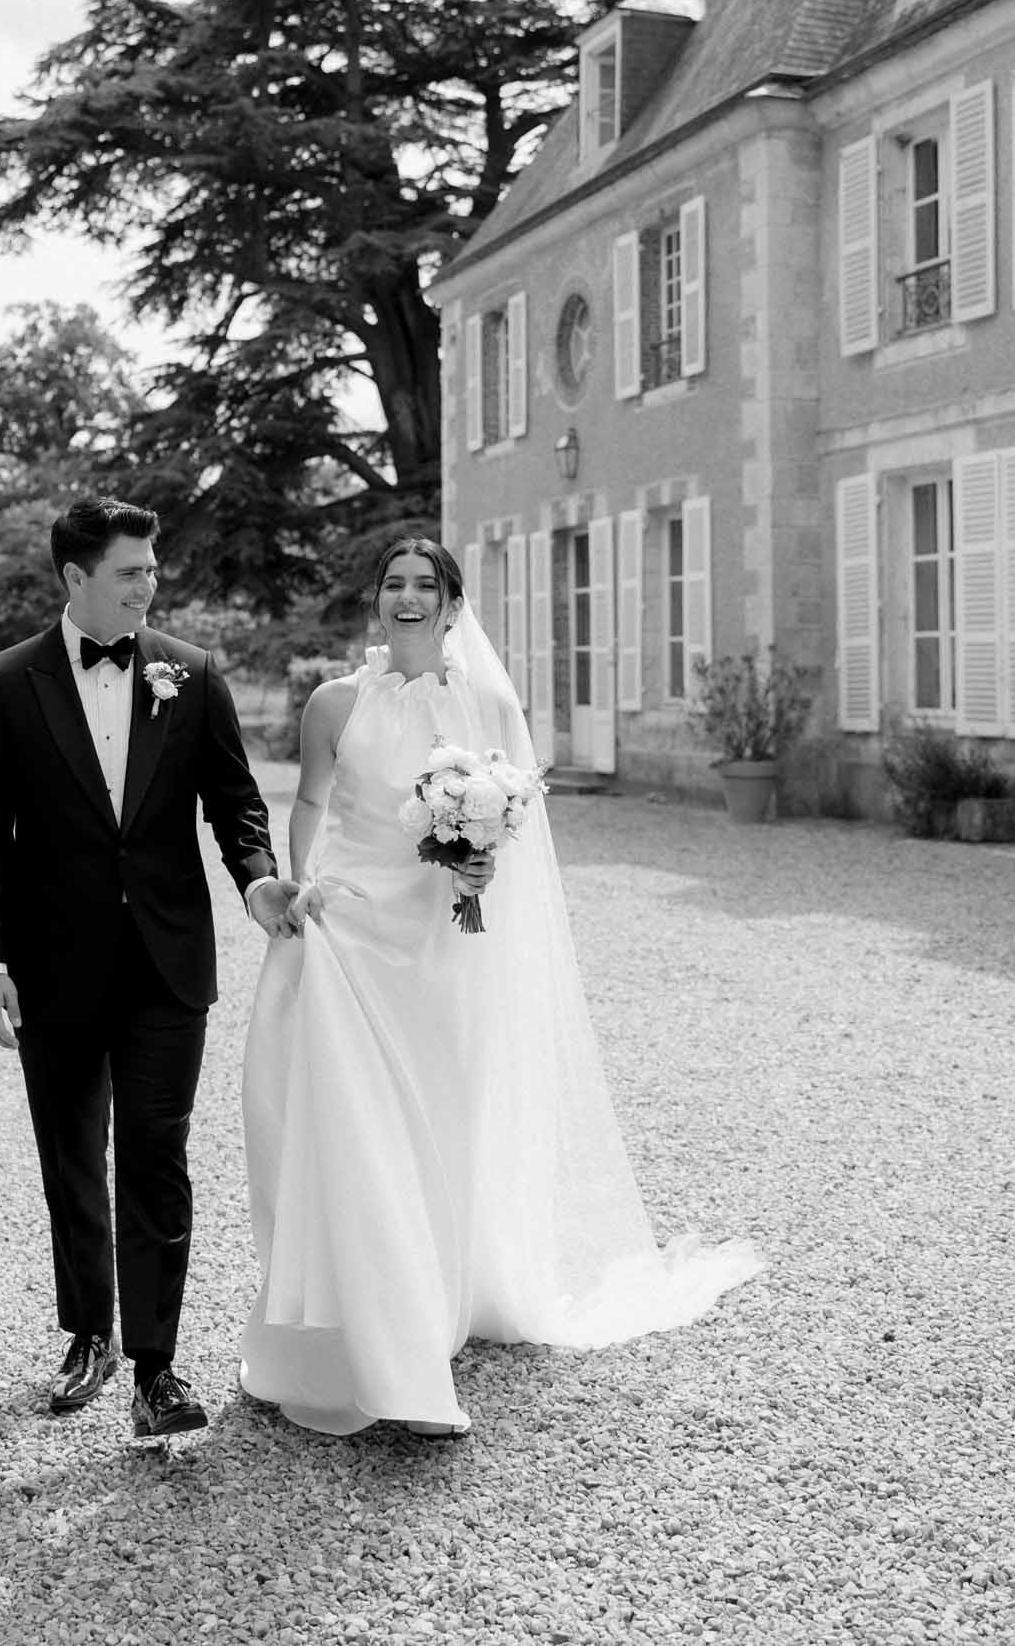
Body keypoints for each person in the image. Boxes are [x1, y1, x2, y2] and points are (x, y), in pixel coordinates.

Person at [240, 536, 761, 1437]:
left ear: (451, 606)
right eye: (393, 584)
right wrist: (303, 879)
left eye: (426, 586)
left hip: (442, 941)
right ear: (376, 602)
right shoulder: (331, 702)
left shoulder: (485, 699)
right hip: (349, 930)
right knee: (348, 1122)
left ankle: (442, 1292)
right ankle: (371, 1330)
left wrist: (482, 869)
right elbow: (312, 804)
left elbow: (516, 821)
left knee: (441, 1115)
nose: (408, 598)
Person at [0, 498, 296, 1439]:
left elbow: (235, 805)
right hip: (51, 967)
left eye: (151, 570)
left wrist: (258, 884)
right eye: (130, 572)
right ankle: (87, 1336)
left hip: (165, 966)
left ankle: (157, 1367)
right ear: (75, 579)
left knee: (156, 1157)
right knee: (72, 1156)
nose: (150, 585)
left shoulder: (190, 675)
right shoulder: (3, 684)